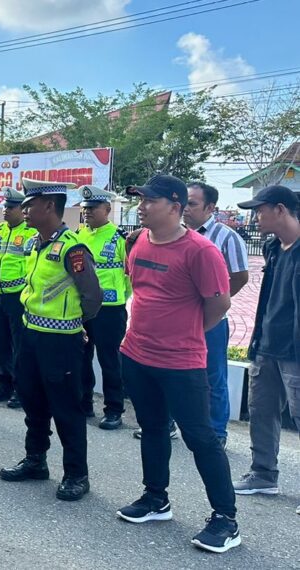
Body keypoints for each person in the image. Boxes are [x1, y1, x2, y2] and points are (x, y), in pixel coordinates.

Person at [115, 174, 240, 554]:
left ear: (175, 206)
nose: (141, 207)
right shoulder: (138, 241)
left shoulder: (200, 251)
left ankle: (226, 519)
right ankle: (156, 498)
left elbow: (219, 304)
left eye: (149, 201)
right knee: (152, 428)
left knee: (200, 437)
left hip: (182, 362)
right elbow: (140, 291)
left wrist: (185, 333)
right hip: (137, 354)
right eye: (140, 199)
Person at [0, 179, 102, 502]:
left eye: (30, 205)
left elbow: (93, 296)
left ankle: (76, 474)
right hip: (30, 336)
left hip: (61, 342)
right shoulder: (35, 244)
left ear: (49, 206)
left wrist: (75, 322)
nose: (25, 210)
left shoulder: (72, 248)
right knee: (33, 402)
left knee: (66, 408)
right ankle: (35, 460)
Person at [232, 185, 300, 514]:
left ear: (281, 210)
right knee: (261, 411)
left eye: (260, 210)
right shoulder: (273, 247)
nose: (255, 217)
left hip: (295, 352)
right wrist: (256, 342)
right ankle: (263, 474)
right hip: (267, 345)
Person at [181, 181, 250, 447]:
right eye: (184, 203)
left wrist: (214, 303)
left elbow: (240, 276)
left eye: (193, 203)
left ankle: (216, 432)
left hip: (211, 321)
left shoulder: (226, 237)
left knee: (213, 376)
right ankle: (171, 423)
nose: (186, 208)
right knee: (173, 371)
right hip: (178, 319)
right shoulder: (174, 234)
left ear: (210, 207)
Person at [76, 186, 131, 430]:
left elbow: (130, 276)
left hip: (110, 310)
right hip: (82, 308)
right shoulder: (79, 235)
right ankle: (84, 403)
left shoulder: (120, 238)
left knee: (109, 361)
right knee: (81, 358)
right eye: (85, 208)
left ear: (107, 209)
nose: (87, 212)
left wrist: (119, 297)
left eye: (93, 208)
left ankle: (114, 410)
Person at [0, 187, 38, 409]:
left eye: (11, 207)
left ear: (22, 209)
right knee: (1, 341)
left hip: (19, 295)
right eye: (4, 206)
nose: (5, 210)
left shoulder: (30, 233)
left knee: (19, 344)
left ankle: (20, 388)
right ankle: (3, 384)